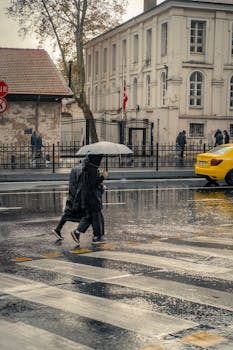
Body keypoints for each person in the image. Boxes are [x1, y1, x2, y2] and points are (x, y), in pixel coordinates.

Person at [70, 153, 108, 246]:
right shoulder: (93, 170)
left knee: (89, 217)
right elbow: (92, 185)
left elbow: (89, 184)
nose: (101, 161)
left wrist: (101, 185)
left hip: (87, 198)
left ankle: (77, 232)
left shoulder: (87, 168)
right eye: (100, 159)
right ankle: (97, 237)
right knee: (97, 217)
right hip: (93, 198)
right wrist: (102, 177)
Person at [52, 160, 86, 240]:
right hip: (78, 197)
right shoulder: (84, 170)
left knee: (67, 214)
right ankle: (78, 232)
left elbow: (71, 184)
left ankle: (58, 229)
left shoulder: (74, 169)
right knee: (87, 216)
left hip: (72, 195)